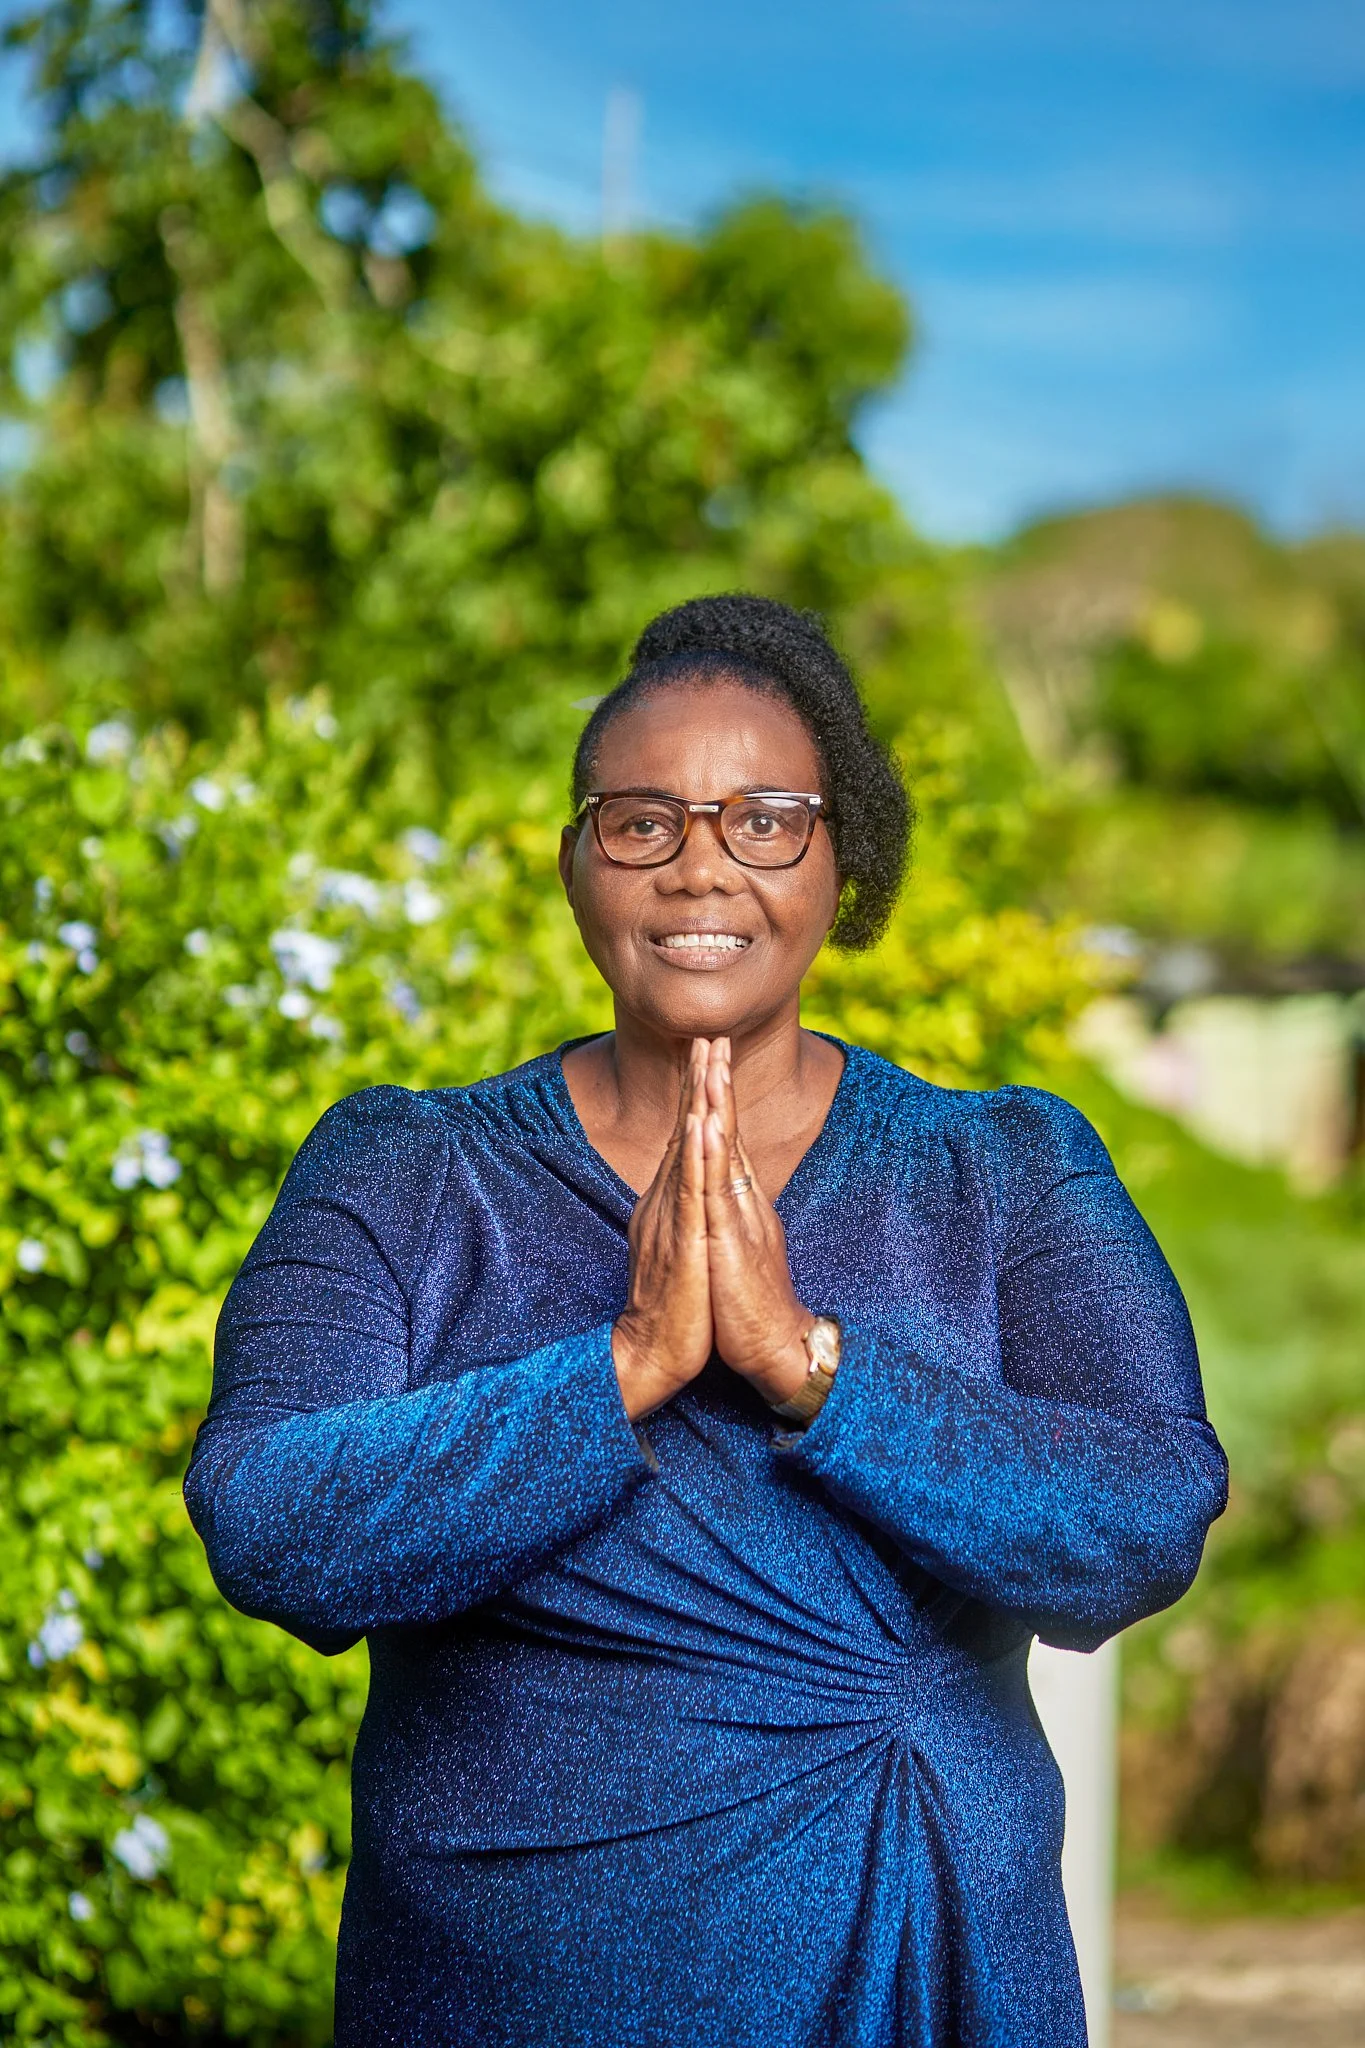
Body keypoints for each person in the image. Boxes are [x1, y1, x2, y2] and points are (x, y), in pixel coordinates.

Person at [185, 594, 1227, 2048]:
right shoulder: (407, 1171)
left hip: (913, 1963)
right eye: (645, 823)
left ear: (841, 859)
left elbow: (1143, 1520)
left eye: (766, 820)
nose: (702, 870)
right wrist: (622, 1370)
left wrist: (816, 1372)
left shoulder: (1005, 1169)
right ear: (575, 865)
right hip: (511, 1997)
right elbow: (270, 1518)